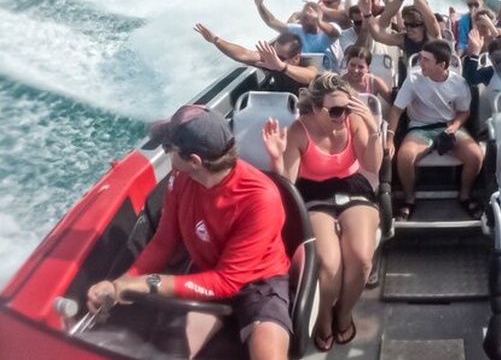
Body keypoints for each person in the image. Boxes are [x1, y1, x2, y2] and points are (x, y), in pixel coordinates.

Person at [86, 105, 293, 360]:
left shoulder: (260, 199)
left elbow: (227, 282)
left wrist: (147, 283)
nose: (166, 153)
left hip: (259, 283)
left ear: (195, 161)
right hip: (207, 272)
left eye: (168, 148)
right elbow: (163, 242)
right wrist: (121, 284)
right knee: (167, 353)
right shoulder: (180, 178)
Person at [262, 73, 382, 352]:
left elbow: (372, 165)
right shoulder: (298, 131)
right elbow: (288, 185)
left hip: (352, 186)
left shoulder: (353, 121)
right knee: (329, 265)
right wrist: (276, 159)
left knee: (361, 258)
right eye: (335, 110)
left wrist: (373, 129)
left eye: (347, 108)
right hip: (313, 194)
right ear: (316, 108)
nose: (343, 116)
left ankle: (344, 312)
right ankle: (325, 317)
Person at [387, 39, 484, 221]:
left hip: (448, 126)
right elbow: (397, 109)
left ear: (442, 65)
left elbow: (464, 112)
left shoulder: (459, 83)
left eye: (425, 60)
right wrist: (390, 138)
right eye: (420, 58)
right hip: (420, 129)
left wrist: (454, 127)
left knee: (476, 156)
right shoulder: (413, 79)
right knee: (405, 157)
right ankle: (409, 199)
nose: (420, 63)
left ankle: (465, 195)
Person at [194, 24, 317, 94]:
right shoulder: (271, 60)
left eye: (279, 57)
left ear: (296, 58)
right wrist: (216, 40)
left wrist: (281, 66)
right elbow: (243, 54)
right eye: (273, 53)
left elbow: (310, 76)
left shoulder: (308, 64)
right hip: (277, 103)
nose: (273, 58)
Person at [251, 0, 342, 71]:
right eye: (303, 16)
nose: (304, 20)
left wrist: (318, 21)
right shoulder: (298, 29)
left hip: (328, 75)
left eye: (308, 17)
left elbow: (334, 33)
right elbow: (272, 21)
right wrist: (260, 5)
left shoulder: (329, 30)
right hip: (302, 73)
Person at [364, 0, 441, 59]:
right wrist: (367, 14)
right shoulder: (403, 39)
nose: (408, 28)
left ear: (423, 26)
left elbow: (432, 20)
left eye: (413, 25)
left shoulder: (432, 35)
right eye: (406, 24)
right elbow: (379, 36)